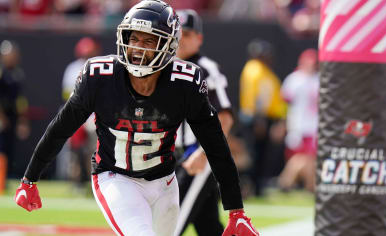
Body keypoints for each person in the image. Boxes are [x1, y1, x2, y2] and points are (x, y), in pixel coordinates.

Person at [14, 1, 259, 236]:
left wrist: (236, 211)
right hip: (116, 177)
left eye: (150, 40)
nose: (138, 48)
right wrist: (29, 179)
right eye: (134, 38)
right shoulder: (100, 77)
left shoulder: (185, 83)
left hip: (164, 182)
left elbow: (215, 144)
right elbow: (60, 128)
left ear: (169, 46)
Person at [174, 9, 233, 236]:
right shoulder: (167, 66)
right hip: (174, 155)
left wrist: (203, 153)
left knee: (169, 223)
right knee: (208, 225)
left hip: (196, 154)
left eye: (187, 34)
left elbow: (225, 117)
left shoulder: (206, 69)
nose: (181, 39)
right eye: (177, 34)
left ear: (199, 38)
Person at [239, 39, 287, 196]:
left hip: (265, 117)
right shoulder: (254, 69)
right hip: (256, 118)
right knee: (255, 153)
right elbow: (256, 96)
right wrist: (258, 119)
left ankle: (257, 185)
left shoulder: (265, 71)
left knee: (261, 153)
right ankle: (251, 186)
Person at [61, 37, 101, 193]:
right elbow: (66, 94)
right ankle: (76, 182)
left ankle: (94, 181)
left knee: (94, 151)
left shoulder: (100, 67)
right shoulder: (73, 69)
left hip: (93, 116)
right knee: (75, 152)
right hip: (77, 114)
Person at [277, 48, 319, 192]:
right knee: (300, 157)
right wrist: (283, 123)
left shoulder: (318, 79)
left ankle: (308, 185)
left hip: (313, 125)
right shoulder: (294, 79)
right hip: (299, 124)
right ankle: (286, 182)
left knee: (311, 158)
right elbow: (284, 103)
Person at [0, 40, 30, 194]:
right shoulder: (2, 72)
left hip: (12, 116)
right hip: (2, 115)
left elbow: (20, 100)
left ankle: (2, 181)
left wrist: (22, 120)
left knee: (8, 148)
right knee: (1, 148)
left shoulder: (17, 74)